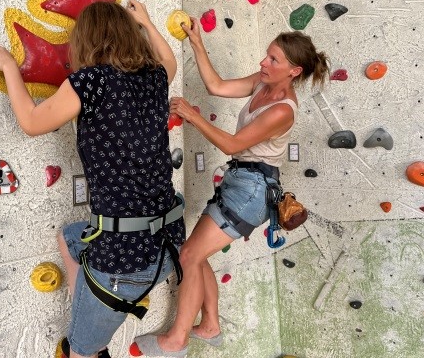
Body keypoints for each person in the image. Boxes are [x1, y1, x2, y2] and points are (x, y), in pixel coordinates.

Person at [0, 0, 185, 358]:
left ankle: (89, 338)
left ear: (86, 40)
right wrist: (147, 21)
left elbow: (31, 122)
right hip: (166, 246)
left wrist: (10, 67)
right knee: (71, 238)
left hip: (123, 263)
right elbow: (169, 61)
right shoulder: (154, 78)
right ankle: (90, 311)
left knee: (79, 351)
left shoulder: (89, 82)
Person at [133, 20, 329, 356]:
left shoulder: (282, 110)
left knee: (189, 255)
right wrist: (196, 40)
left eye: (273, 60)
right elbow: (216, 85)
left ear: (294, 71)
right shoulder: (262, 83)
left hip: (252, 190)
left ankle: (176, 340)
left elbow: (234, 144)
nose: (263, 64)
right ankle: (209, 326)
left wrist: (193, 118)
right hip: (240, 182)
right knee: (196, 253)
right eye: (267, 56)